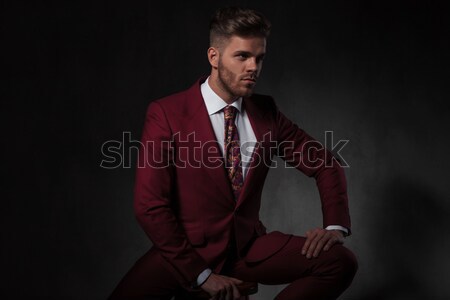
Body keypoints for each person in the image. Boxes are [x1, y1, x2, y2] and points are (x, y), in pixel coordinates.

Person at [109, 6, 357, 300]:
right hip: (184, 253)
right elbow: (150, 206)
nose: (253, 67)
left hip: (248, 250)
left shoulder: (267, 113)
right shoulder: (167, 113)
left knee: (340, 262)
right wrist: (202, 277)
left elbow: (325, 163)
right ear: (214, 57)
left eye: (259, 58)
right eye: (242, 56)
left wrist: (335, 226)